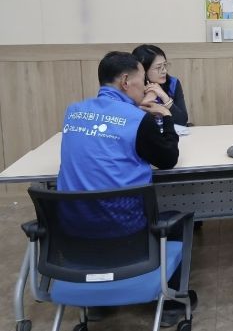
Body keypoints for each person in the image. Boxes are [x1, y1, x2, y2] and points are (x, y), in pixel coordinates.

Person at [57, 51, 190, 327]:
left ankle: (96, 303)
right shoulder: (137, 119)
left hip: (73, 231)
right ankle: (170, 304)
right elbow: (168, 159)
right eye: (142, 81)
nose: (145, 86)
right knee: (180, 219)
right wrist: (165, 116)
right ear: (126, 81)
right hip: (128, 230)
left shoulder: (73, 112)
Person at [132, 44, 189, 127]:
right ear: (143, 70)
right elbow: (131, 120)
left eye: (165, 65)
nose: (164, 71)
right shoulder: (132, 86)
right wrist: (146, 100)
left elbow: (182, 121)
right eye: (158, 67)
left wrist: (164, 97)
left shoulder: (173, 83)